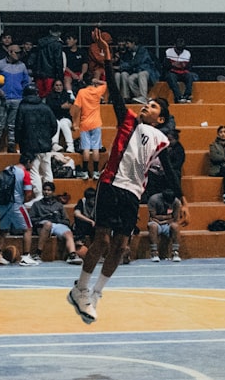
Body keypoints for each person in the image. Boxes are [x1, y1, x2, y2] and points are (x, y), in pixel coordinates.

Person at [66, 28, 187, 325]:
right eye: (147, 103)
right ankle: (80, 288)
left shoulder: (161, 140)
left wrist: (182, 199)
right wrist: (108, 61)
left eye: (154, 106)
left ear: (160, 118)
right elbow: (118, 95)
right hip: (110, 184)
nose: (147, 105)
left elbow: (170, 170)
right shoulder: (128, 120)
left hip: (133, 192)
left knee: (121, 246)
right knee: (103, 240)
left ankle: (95, 294)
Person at [0, 160, 37, 267]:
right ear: (28, 161)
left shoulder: (7, 168)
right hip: (16, 204)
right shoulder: (25, 173)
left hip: (3, 204)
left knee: (3, 229)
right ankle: (26, 257)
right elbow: (28, 194)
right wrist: (22, 201)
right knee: (28, 228)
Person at [14, 84, 58, 199]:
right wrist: (47, 138)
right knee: (47, 170)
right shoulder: (45, 107)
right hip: (46, 145)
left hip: (30, 146)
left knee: (34, 172)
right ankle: (50, 194)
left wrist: (19, 142)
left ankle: (39, 196)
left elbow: (18, 127)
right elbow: (54, 125)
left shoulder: (22, 107)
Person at [0, 44, 30, 154]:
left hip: (17, 98)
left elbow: (26, 80)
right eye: (17, 52)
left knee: (13, 123)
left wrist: (21, 89)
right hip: (3, 98)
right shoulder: (0, 64)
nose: (19, 55)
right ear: (10, 52)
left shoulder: (22, 66)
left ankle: (11, 144)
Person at [28, 182, 82, 264]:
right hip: (43, 225)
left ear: (53, 192)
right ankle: (38, 254)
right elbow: (31, 219)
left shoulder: (58, 205)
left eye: (49, 190)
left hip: (57, 224)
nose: (46, 192)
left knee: (68, 233)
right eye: (45, 190)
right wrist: (45, 218)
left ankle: (72, 255)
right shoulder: (36, 205)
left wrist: (57, 219)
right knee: (48, 224)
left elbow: (66, 221)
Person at [71, 70, 106, 179]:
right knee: (95, 148)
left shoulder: (81, 92)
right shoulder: (97, 91)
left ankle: (85, 172)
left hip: (84, 123)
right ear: (92, 81)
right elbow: (107, 83)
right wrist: (98, 81)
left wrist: (74, 122)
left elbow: (76, 108)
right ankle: (96, 172)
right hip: (96, 123)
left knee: (85, 148)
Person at [114, 35, 158, 104]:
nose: (126, 46)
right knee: (130, 78)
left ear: (133, 43)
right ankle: (140, 97)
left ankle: (143, 97)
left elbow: (134, 63)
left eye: (128, 44)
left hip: (147, 72)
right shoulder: (130, 52)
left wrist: (120, 67)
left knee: (141, 74)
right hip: (138, 71)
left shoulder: (142, 50)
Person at [146, 189, 183, 262]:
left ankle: (175, 252)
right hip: (156, 223)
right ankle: (154, 252)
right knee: (152, 226)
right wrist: (167, 218)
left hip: (166, 223)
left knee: (175, 226)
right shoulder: (153, 199)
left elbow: (175, 218)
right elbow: (153, 216)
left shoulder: (177, 202)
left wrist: (162, 220)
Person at [32, 24, 66, 97]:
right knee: (50, 96)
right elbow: (58, 62)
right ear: (59, 33)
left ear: (50, 32)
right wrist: (60, 77)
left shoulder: (40, 43)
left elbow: (34, 58)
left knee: (39, 95)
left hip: (38, 73)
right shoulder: (57, 44)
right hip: (51, 74)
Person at [44, 78, 75, 153]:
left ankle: (70, 145)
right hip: (54, 118)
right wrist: (61, 107)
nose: (59, 87)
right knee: (56, 123)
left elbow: (69, 105)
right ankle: (54, 144)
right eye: (57, 85)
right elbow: (51, 107)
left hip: (66, 118)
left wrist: (58, 107)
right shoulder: (49, 97)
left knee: (63, 123)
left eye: (60, 85)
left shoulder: (67, 95)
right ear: (53, 86)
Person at [164, 37, 196, 103]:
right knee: (170, 77)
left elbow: (190, 66)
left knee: (190, 76)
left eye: (181, 50)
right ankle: (178, 97)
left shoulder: (187, 53)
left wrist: (184, 65)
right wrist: (173, 64)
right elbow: (165, 65)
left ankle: (187, 96)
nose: (179, 51)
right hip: (172, 71)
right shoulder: (168, 52)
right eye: (178, 49)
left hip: (183, 71)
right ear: (174, 46)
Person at [61, 32, 88, 97]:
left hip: (79, 73)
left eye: (69, 39)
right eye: (66, 39)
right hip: (69, 73)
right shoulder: (65, 52)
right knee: (67, 79)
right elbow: (64, 65)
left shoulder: (82, 52)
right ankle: (70, 96)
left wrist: (82, 74)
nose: (67, 41)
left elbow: (85, 64)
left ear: (75, 40)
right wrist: (72, 74)